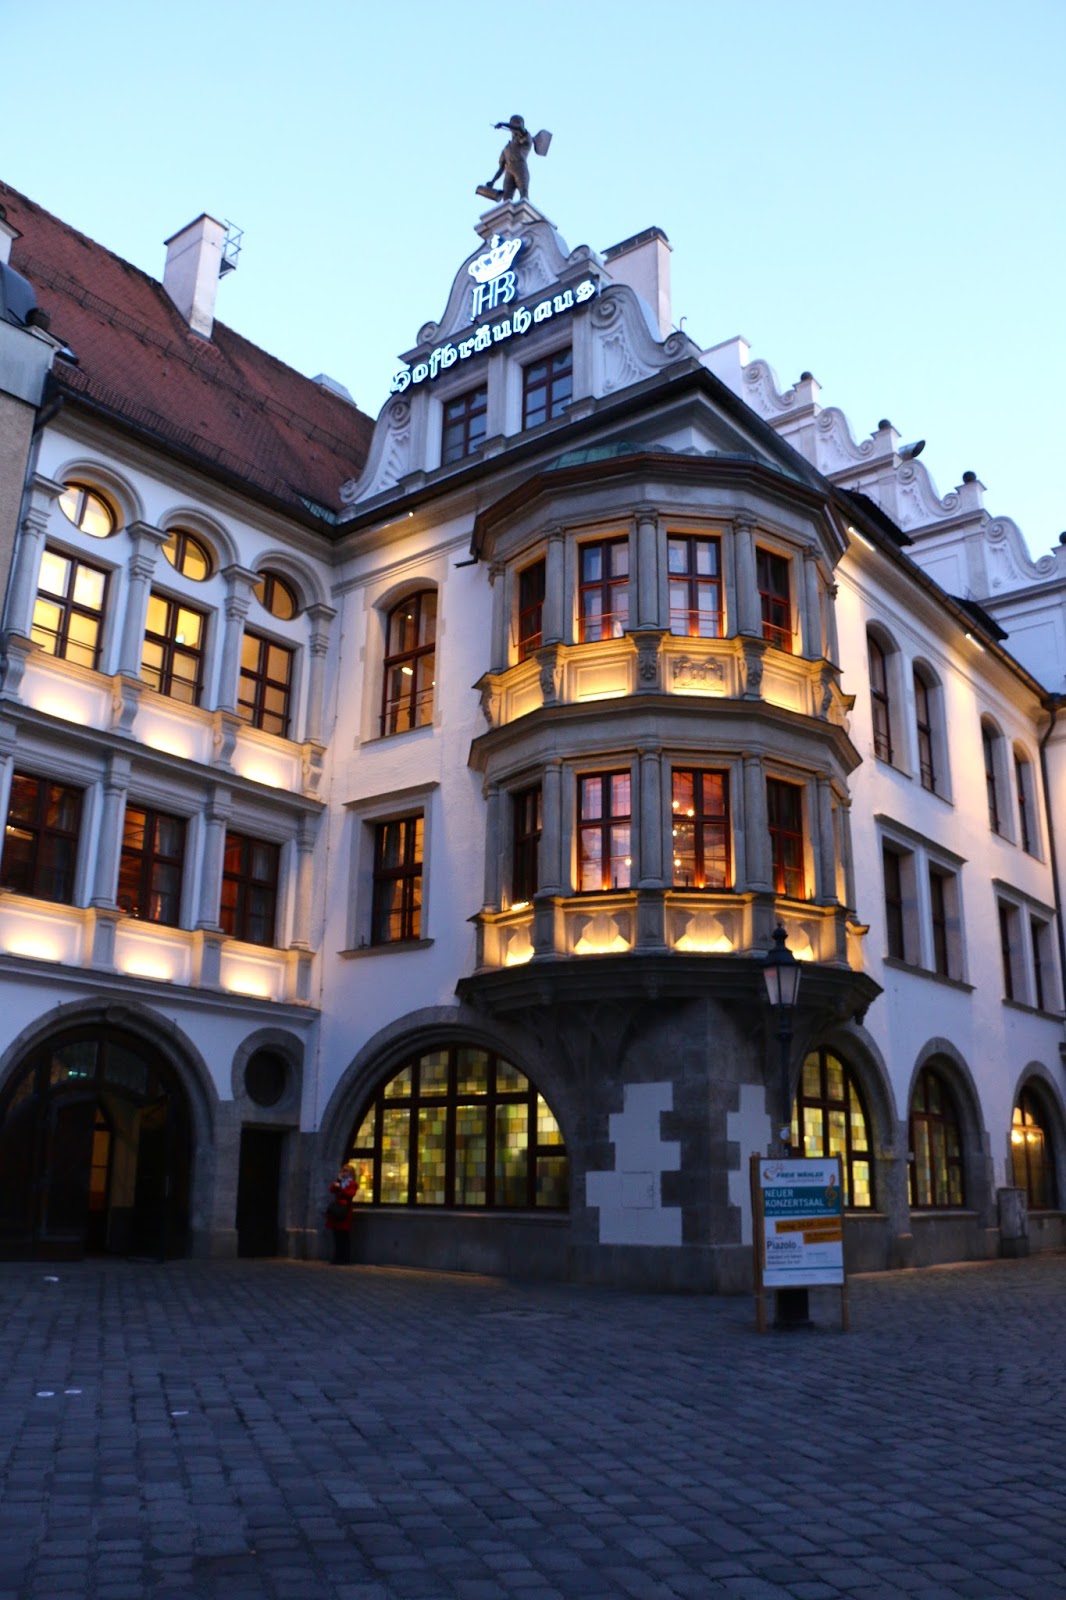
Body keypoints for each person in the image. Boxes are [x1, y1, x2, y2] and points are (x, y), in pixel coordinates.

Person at [325, 1166, 357, 1264]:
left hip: (345, 1211)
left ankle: (345, 1258)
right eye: (343, 1171)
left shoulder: (352, 1183)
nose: (344, 1173)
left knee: (344, 1236)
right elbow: (331, 1189)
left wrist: (340, 1189)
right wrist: (338, 1181)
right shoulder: (339, 1182)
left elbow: (350, 1194)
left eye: (346, 1171)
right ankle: (337, 1257)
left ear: (351, 1173)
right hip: (337, 1210)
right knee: (336, 1235)